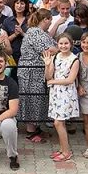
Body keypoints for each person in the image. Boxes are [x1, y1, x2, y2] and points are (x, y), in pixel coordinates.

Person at [17, 8, 55, 143]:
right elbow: (46, 50)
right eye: (51, 20)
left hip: (36, 72)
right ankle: (31, 130)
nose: (51, 23)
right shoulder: (35, 32)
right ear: (46, 19)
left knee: (38, 99)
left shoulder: (38, 32)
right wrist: (62, 49)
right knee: (32, 99)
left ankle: (36, 127)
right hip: (31, 72)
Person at [44, 32, 79, 162]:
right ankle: (62, 148)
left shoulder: (74, 59)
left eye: (66, 43)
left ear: (70, 44)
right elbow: (48, 76)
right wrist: (47, 65)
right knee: (59, 122)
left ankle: (66, 152)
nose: (63, 46)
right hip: (56, 93)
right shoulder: (56, 56)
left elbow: (70, 80)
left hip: (66, 93)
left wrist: (53, 82)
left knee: (58, 122)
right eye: (61, 43)